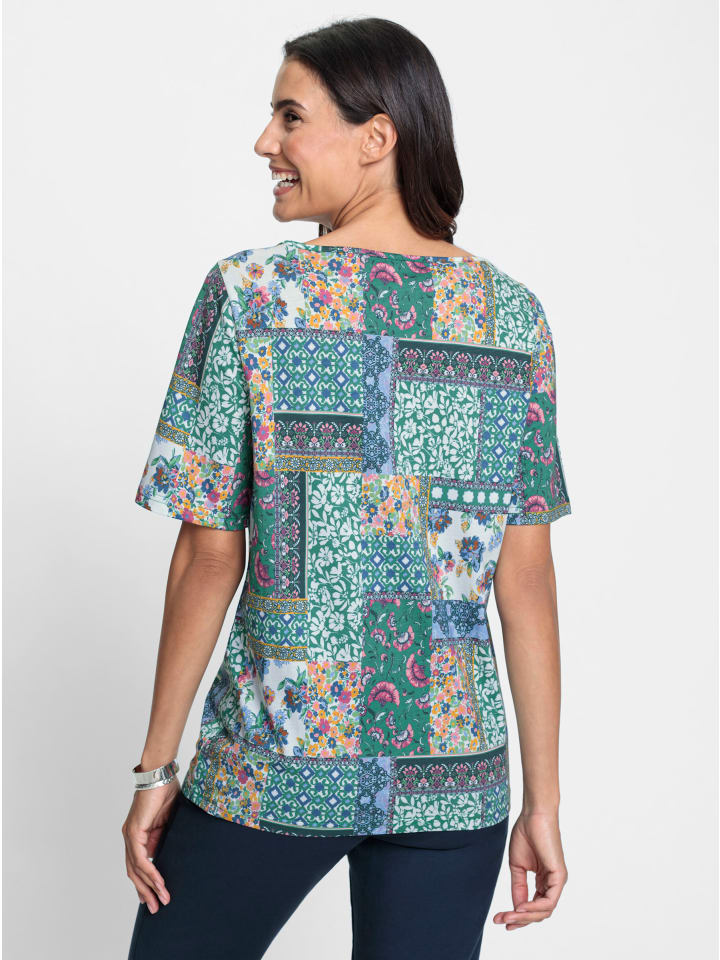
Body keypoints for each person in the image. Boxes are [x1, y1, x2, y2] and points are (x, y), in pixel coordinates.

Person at [123, 16, 572, 960]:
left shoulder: (252, 295)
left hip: (282, 754)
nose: (265, 142)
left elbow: (209, 556)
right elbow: (524, 578)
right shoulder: (511, 317)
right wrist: (542, 798)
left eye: (290, 117)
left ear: (378, 137)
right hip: (454, 771)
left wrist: (156, 767)